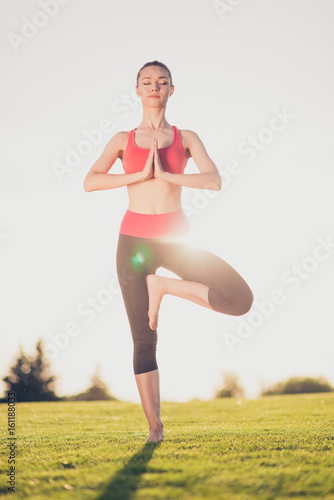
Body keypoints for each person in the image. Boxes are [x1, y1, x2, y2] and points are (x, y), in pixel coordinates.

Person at [83, 60, 254, 443]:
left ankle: (163, 286)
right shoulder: (122, 140)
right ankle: (155, 429)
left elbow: (213, 181)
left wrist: (166, 175)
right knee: (144, 338)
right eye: (146, 82)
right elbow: (90, 182)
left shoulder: (186, 137)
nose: (154, 86)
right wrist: (137, 176)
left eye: (162, 81)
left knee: (240, 299)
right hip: (134, 244)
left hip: (178, 241)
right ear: (137, 90)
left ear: (172, 90)